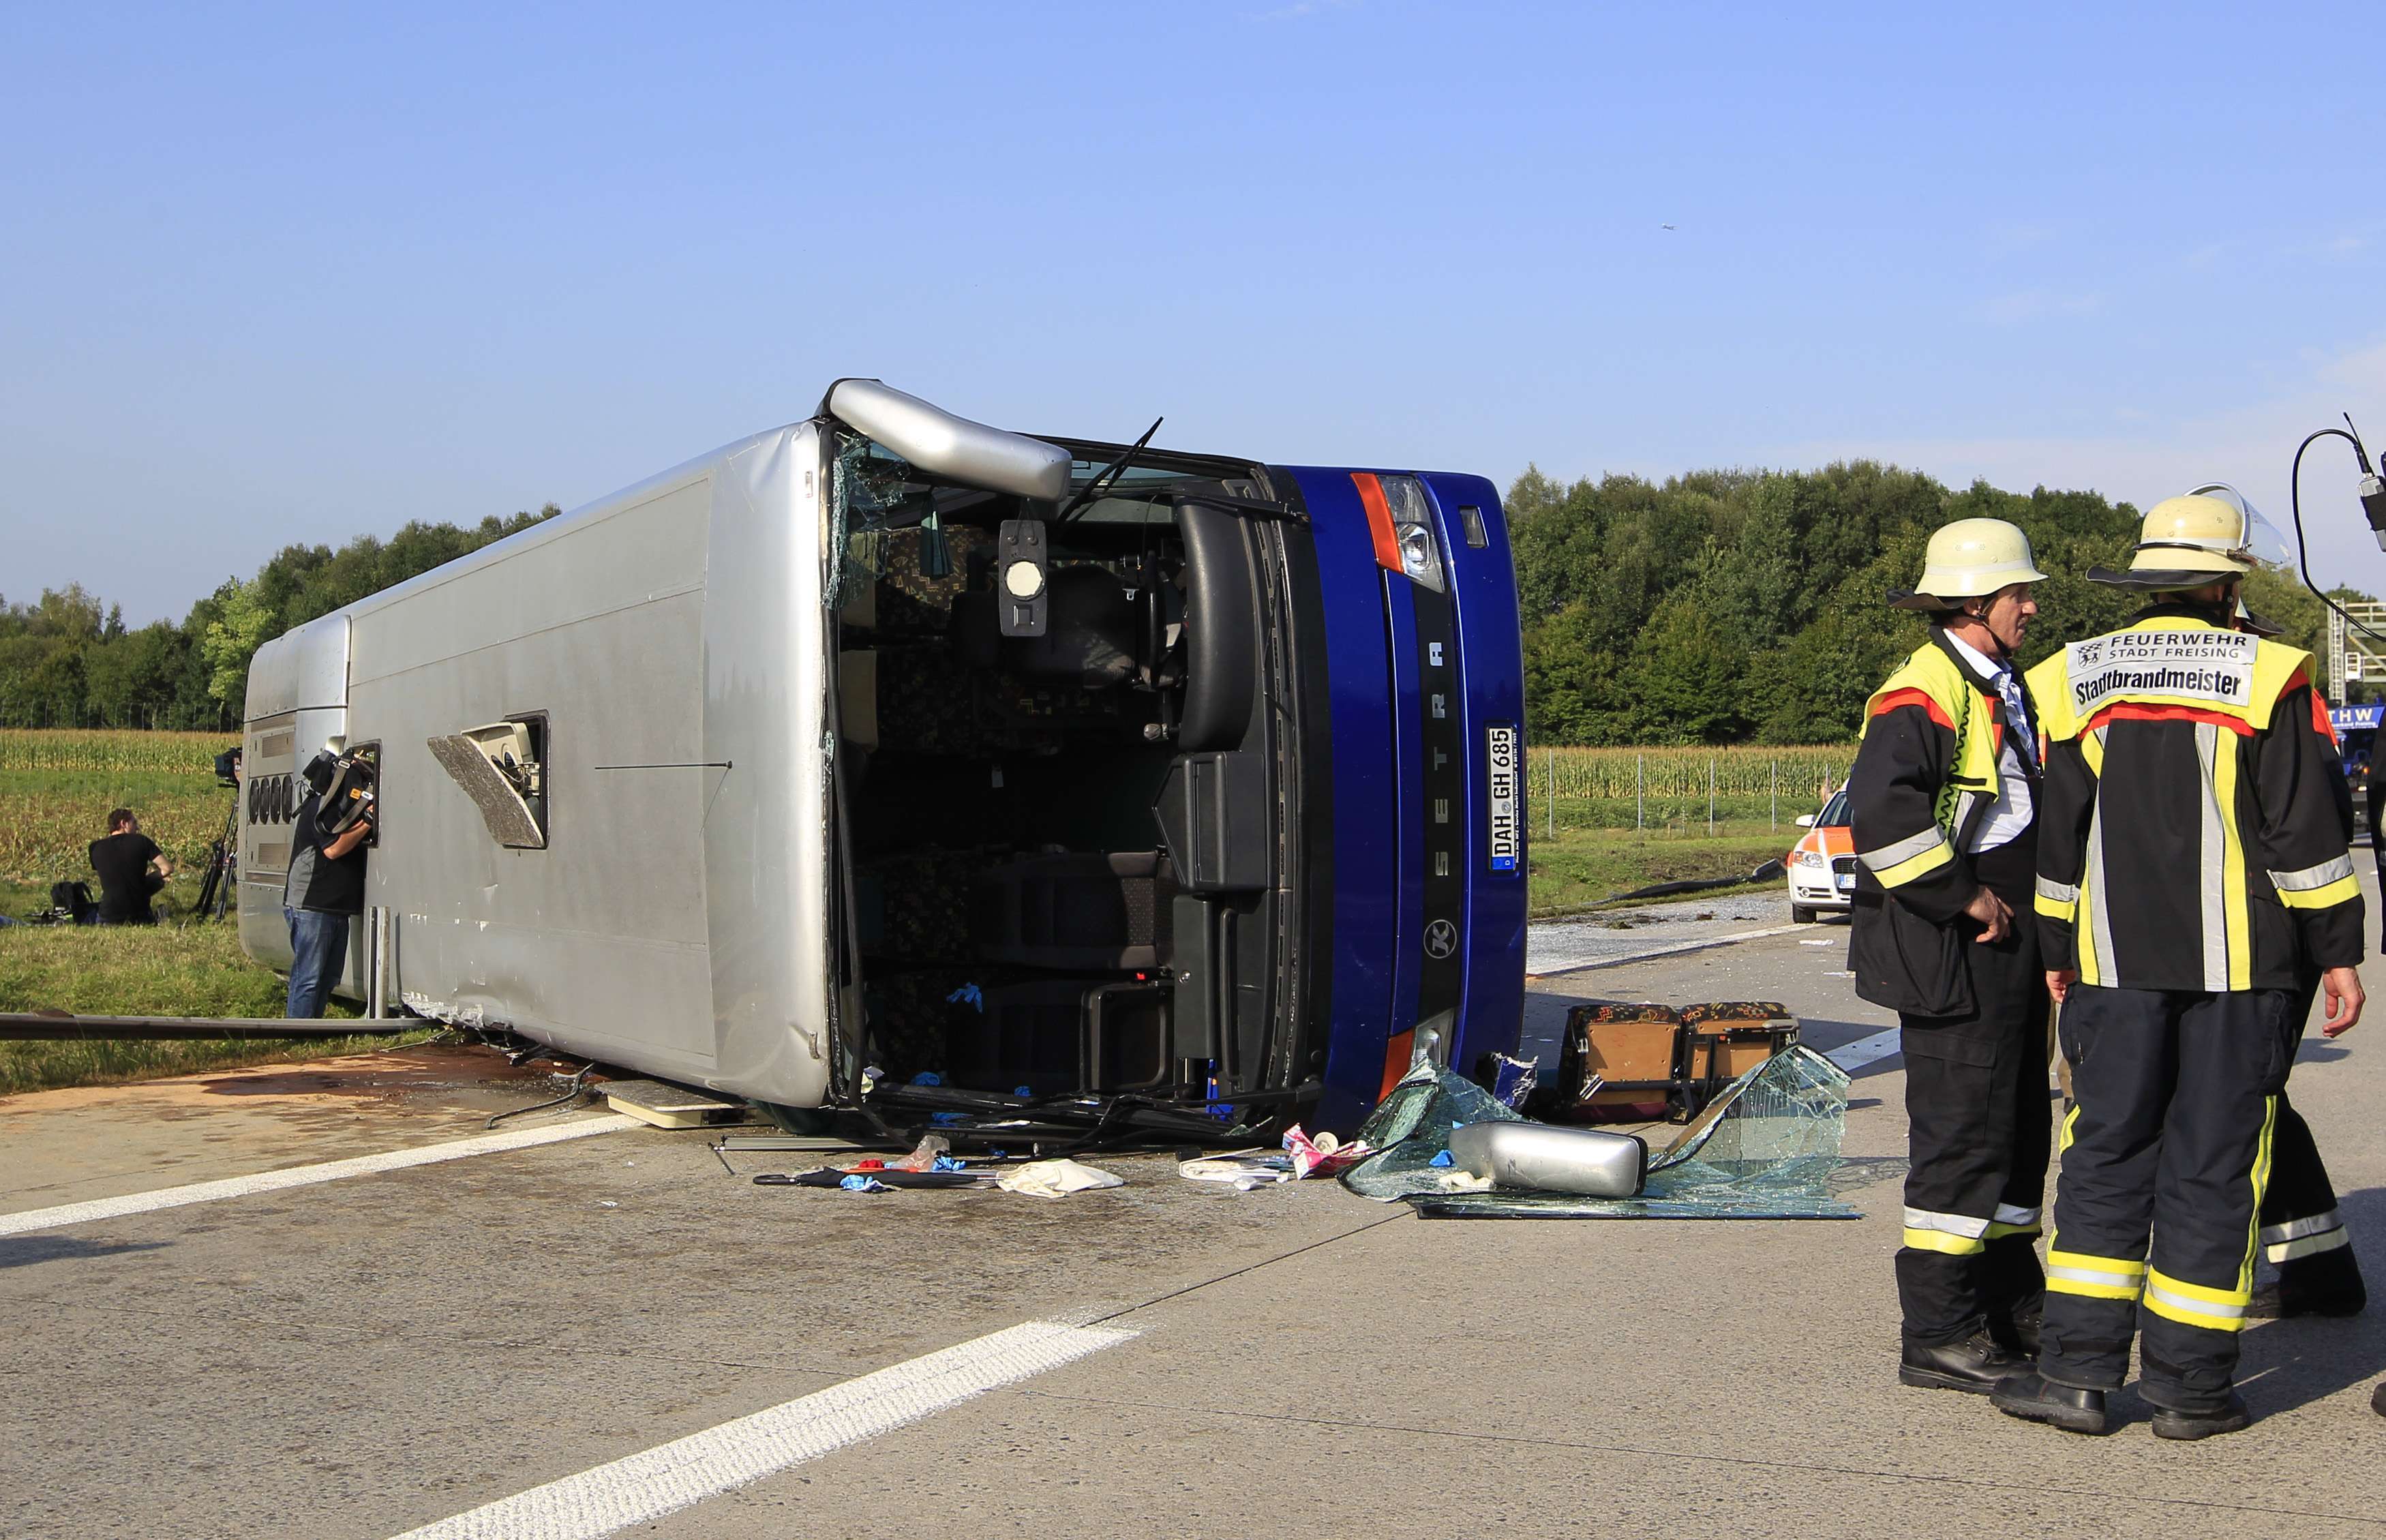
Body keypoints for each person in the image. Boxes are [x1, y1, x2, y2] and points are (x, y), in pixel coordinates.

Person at [1997, 492, 2366, 1440]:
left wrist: (2053, 953)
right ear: (2223, 581)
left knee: (2105, 1156)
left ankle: (2077, 1376)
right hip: (2250, 973)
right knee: (2214, 1164)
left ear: (2148, 581)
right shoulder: (2272, 673)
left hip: (2113, 968)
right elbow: (2303, 835)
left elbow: (2059, 843)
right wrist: (2339, 953)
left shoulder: (2074, 676)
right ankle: (2191, 1389)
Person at [1845, 517, 2053, 1395]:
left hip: (2002, 936)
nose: (2031, 608)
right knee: (1961, 1134)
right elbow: (1885, 824)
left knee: (2015, 1128)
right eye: (2018, 595)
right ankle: (1936, 1330)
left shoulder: (1999, 682)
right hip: (1948, 940)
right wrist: (1962, 895)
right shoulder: (1922, 691)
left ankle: (2008, 1302)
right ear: (1974, 603)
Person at [2231, 601, 2366, 1321]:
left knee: (2237, 1100)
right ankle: (2320, 1270)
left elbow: (2316, 823)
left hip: (2264, 937)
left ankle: (2213, 1277)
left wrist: (2329, 944)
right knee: (2257, 1099)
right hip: (2247, 933)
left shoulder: (2281, 692)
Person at [284, 749, 374, 1018]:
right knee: (309, 977)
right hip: (312, 905)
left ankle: (312, 1028)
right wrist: (367, 822)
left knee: (329, 977)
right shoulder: (322, 808)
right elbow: (333, 850)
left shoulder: (342, 808)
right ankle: (297, 1032)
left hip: (335, 907)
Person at [87, 808, 171, 924]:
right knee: (158, 882)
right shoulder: (142, 841)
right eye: (134, 823)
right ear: (123, 823)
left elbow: (111, 876)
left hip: (108, 917)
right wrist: (146, 880)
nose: (138, 828)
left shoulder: (95, 848)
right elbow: (168, 869)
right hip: (140, 916)